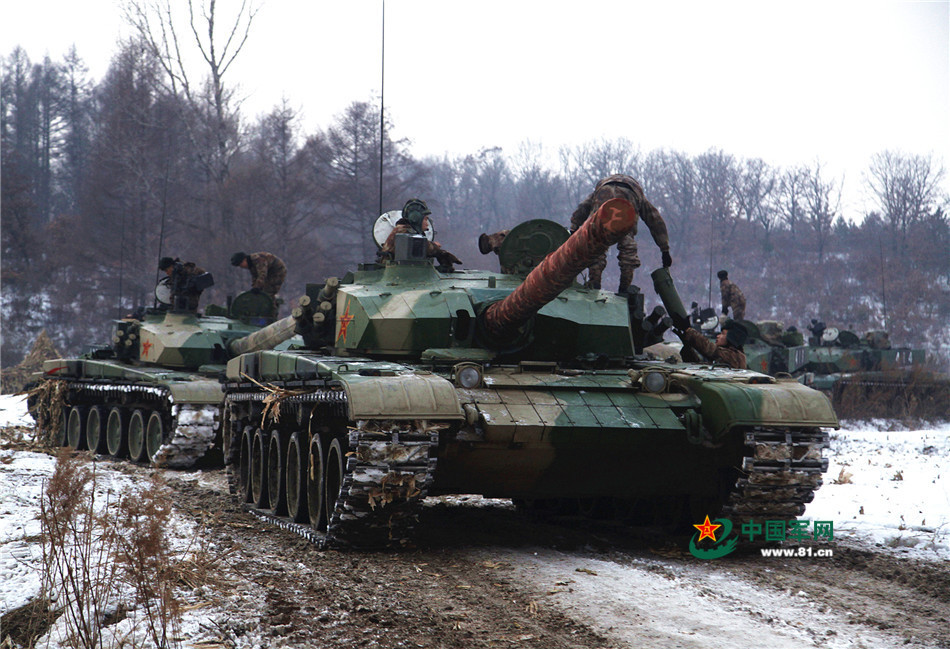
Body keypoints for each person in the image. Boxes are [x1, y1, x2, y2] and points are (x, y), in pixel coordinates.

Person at [569, 174, 672, 293]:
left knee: (596, 242)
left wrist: (573, 228)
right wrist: (664, 249)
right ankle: (624, 289)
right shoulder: (638, 194)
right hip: (629, 194)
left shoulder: (599, 190)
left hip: (604, 191)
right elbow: (655, 220)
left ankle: (594, 283)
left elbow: (583, 207)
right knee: (627, 245)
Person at [380, 199, 462, 269]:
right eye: (425, 219)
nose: (427, 224)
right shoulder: (403, 232)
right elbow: (423, 246)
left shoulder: (405, 231)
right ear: (416, 219)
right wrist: (440, 253)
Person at [675, 319, 748, 370]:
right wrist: (687, 347)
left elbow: (709, 349)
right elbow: (700, 367)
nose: (718, 336)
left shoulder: (736, 356)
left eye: (722, 333)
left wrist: (688, 330)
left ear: (732, 337)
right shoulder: (723, 356)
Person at [231, 251, 287, 315]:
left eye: (240, 264)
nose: (241, 267)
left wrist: (257, 287)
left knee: (268, 293)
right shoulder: (251, 264)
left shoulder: (258, 260)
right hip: (268, 272)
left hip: (277, 272)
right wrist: (254, 288)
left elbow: (262, 275)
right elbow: (255, 277)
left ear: (244, 260)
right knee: (260, 293)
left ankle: (271, 315)